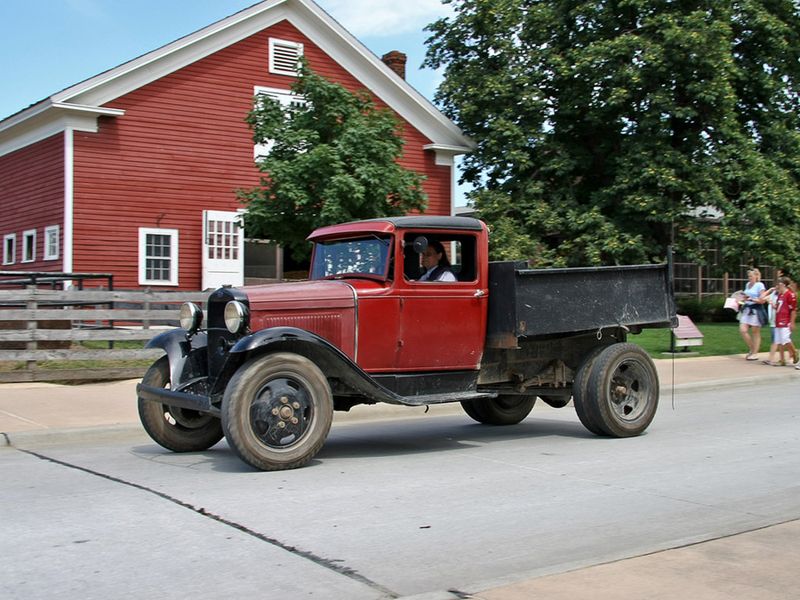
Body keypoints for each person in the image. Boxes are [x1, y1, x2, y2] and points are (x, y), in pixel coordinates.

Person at [739, 268, 766, 360]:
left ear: (756, 276)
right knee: (743, 330)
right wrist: (741, 300)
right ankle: (752, 348)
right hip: (747, 309)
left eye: (751, 276)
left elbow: (762, 300)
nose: (749, 278)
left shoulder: (760, 285)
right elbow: (745, 296)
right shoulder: (747, 284)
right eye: (748, 276)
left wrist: (751, 299)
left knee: (755, 332)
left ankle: (755, 353)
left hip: (756, 310)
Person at [772, 276, 798, 366]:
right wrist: (773, 305)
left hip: (786, 320)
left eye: (779, 283)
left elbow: (793, 310)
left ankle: (794, 353)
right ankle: (782, 359)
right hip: (778, 319)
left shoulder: (790, 295)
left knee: (785, 339)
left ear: (783, 284)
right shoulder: (780, 295)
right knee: (779, 341)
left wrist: (792, 322)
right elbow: (779, 307)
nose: (777, 286)